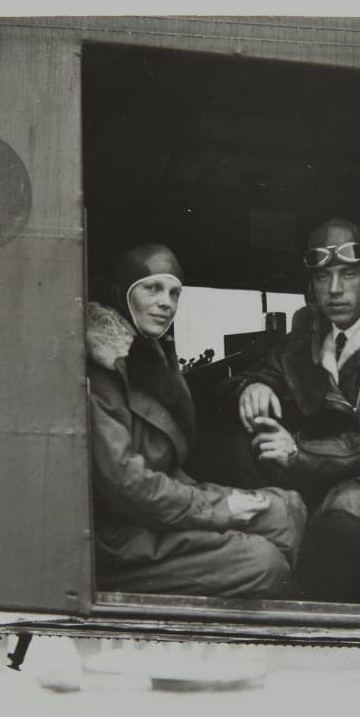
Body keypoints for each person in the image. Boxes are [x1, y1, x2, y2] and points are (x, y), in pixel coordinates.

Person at [87, 243, 306, 598]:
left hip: (157, 507)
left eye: (174, 293)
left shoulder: (147, 355)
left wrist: (218, 505)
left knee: (286, 512)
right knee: (264, 564)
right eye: (152, 288)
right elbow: (126, 486)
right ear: (122, 293)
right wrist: (218, 510)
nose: (166, 303)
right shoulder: (101, 372)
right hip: (122, 535)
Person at [220, 218, 360, 603]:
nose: (334, 290)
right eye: (323, 278)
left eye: (348, 274)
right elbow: (272, 366)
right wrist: (253, 386)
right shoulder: (311, 336)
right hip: (326, 470)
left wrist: (299, 454)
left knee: (345, 517)